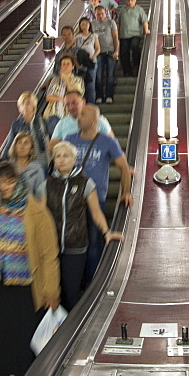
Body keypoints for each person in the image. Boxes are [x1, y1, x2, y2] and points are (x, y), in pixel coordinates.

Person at [0, 162, 59, 376]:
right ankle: (5, 373)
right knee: (2, 331)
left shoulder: (36, 211)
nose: (4, 187)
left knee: (22, 333)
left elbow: (49, 254)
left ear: (20, 182)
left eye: (10, 181)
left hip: (25, 285)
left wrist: (51, 290)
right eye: (2, 182)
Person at [35, 141, 122, 310]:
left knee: (71, 291)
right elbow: (41, 217)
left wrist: (106, 231)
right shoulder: (46, 185)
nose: (61, 160)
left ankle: (73, 331)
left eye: (66, 156)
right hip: (50, 247)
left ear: (74, 159)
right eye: (58, 156)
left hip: (75, 246)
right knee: (51, 292)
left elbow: (96, 212)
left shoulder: (85, 183)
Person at [64, 104, 133, 283]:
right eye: (79, 114)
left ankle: (93, 284)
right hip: (71, 201)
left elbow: (124, 167)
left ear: (95, 121)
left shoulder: (107, 142)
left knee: (94, 244)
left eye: (83, 115)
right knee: (73, 245)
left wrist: (126, 192)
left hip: (96, 200)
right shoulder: (69, 138)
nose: (78, 117)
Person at [49, 90, 114, 151]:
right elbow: (52, 147)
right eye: (67, 104)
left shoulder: (99, 120)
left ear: (83, 102)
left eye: (74, 103)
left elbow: (112, 144)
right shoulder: (62, 124)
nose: (71, 107)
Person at [6, 91, 50, 167]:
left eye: (28, 103)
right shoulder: (16, 125)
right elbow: (9, 145)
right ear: (19, 107)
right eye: (22, 104)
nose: (25, 106)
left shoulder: (42, 122)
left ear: (33, 106)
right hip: (24, 164)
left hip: (42, 163)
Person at [43, 54, 83, 131]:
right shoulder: (55, 80)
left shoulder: (78, 80)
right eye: (63, 64)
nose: (65, 66)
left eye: (68, 64)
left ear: (73, 66)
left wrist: (66, 80)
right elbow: (48, 97)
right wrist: (65, 99)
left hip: (70, 114)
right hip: (54, 114)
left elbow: (76, 94)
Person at [117, 0, 150, 77]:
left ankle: (137, 66)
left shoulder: (139, 10)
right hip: (124, 35)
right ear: (125, 1)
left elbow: (144, 21)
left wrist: (146, 29)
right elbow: (119, 22)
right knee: (124, 52)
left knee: (135, 46)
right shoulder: (122, 10)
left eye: (132, 0)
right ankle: (127, 70)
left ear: (135, 0)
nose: (129, 2)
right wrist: (117, 33)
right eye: (128, 0)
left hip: (135, 34)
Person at [91, 5, 119, 104]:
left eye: (102, 14)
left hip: (110, 51)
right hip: (98, 52)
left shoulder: (111, 22)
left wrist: (116, 51)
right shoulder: (92, 24)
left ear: (105, 13)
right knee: (98, 75)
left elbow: (115, 37)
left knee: (110, 74)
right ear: (95, 14)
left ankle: (109, 95)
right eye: (98, 14)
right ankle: (99, 95)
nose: (100, 16)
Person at [74, 17, 100, 104]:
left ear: (89, 25)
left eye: (86, 24)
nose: (85, 26)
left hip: (91, 62)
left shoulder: (93, 35)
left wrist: (94, 56)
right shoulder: (77, 36)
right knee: (81, 84)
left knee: (91, 83)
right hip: (81, 62)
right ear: (80, 26)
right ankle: (81, 103)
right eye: (82, 24)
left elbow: (98, 48)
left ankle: (91, 104)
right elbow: (74, 48)